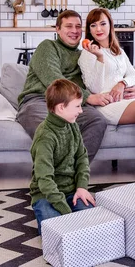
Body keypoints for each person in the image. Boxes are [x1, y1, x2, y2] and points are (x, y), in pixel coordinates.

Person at [79, 8, 135, 186]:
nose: (99, 28)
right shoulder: (87, 54)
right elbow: (95, 87)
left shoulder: (118, 51)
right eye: (93, 25)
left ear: (110, 25)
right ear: (89, 30)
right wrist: (99, 57)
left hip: (124, 100)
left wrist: (123, 84)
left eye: (102, 23)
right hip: (107, 105)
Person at [17, 10, 115, 162]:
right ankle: (58, 176)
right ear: (57, 29)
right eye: (69, 26)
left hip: (73, 103)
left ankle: (76, 172)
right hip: (40, 100)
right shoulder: (48, 47)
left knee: (97, 120)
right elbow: (54, 80)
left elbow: (105, 77)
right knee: (50, 128)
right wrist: (88, 97)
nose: (74, 31)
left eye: (78, 27)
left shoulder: (84, 55)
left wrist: (125, 85)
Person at [30, 79, 95, 235]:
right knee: (58, 233)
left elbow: (82, 158)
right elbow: (44, 179)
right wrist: (65, 211)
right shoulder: (45, 136)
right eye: (77, 106)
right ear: (61, 107)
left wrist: (81, 187)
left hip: (72, 190)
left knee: (93, 225)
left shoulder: (72, 124)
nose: (81, 111)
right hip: (46, 194)